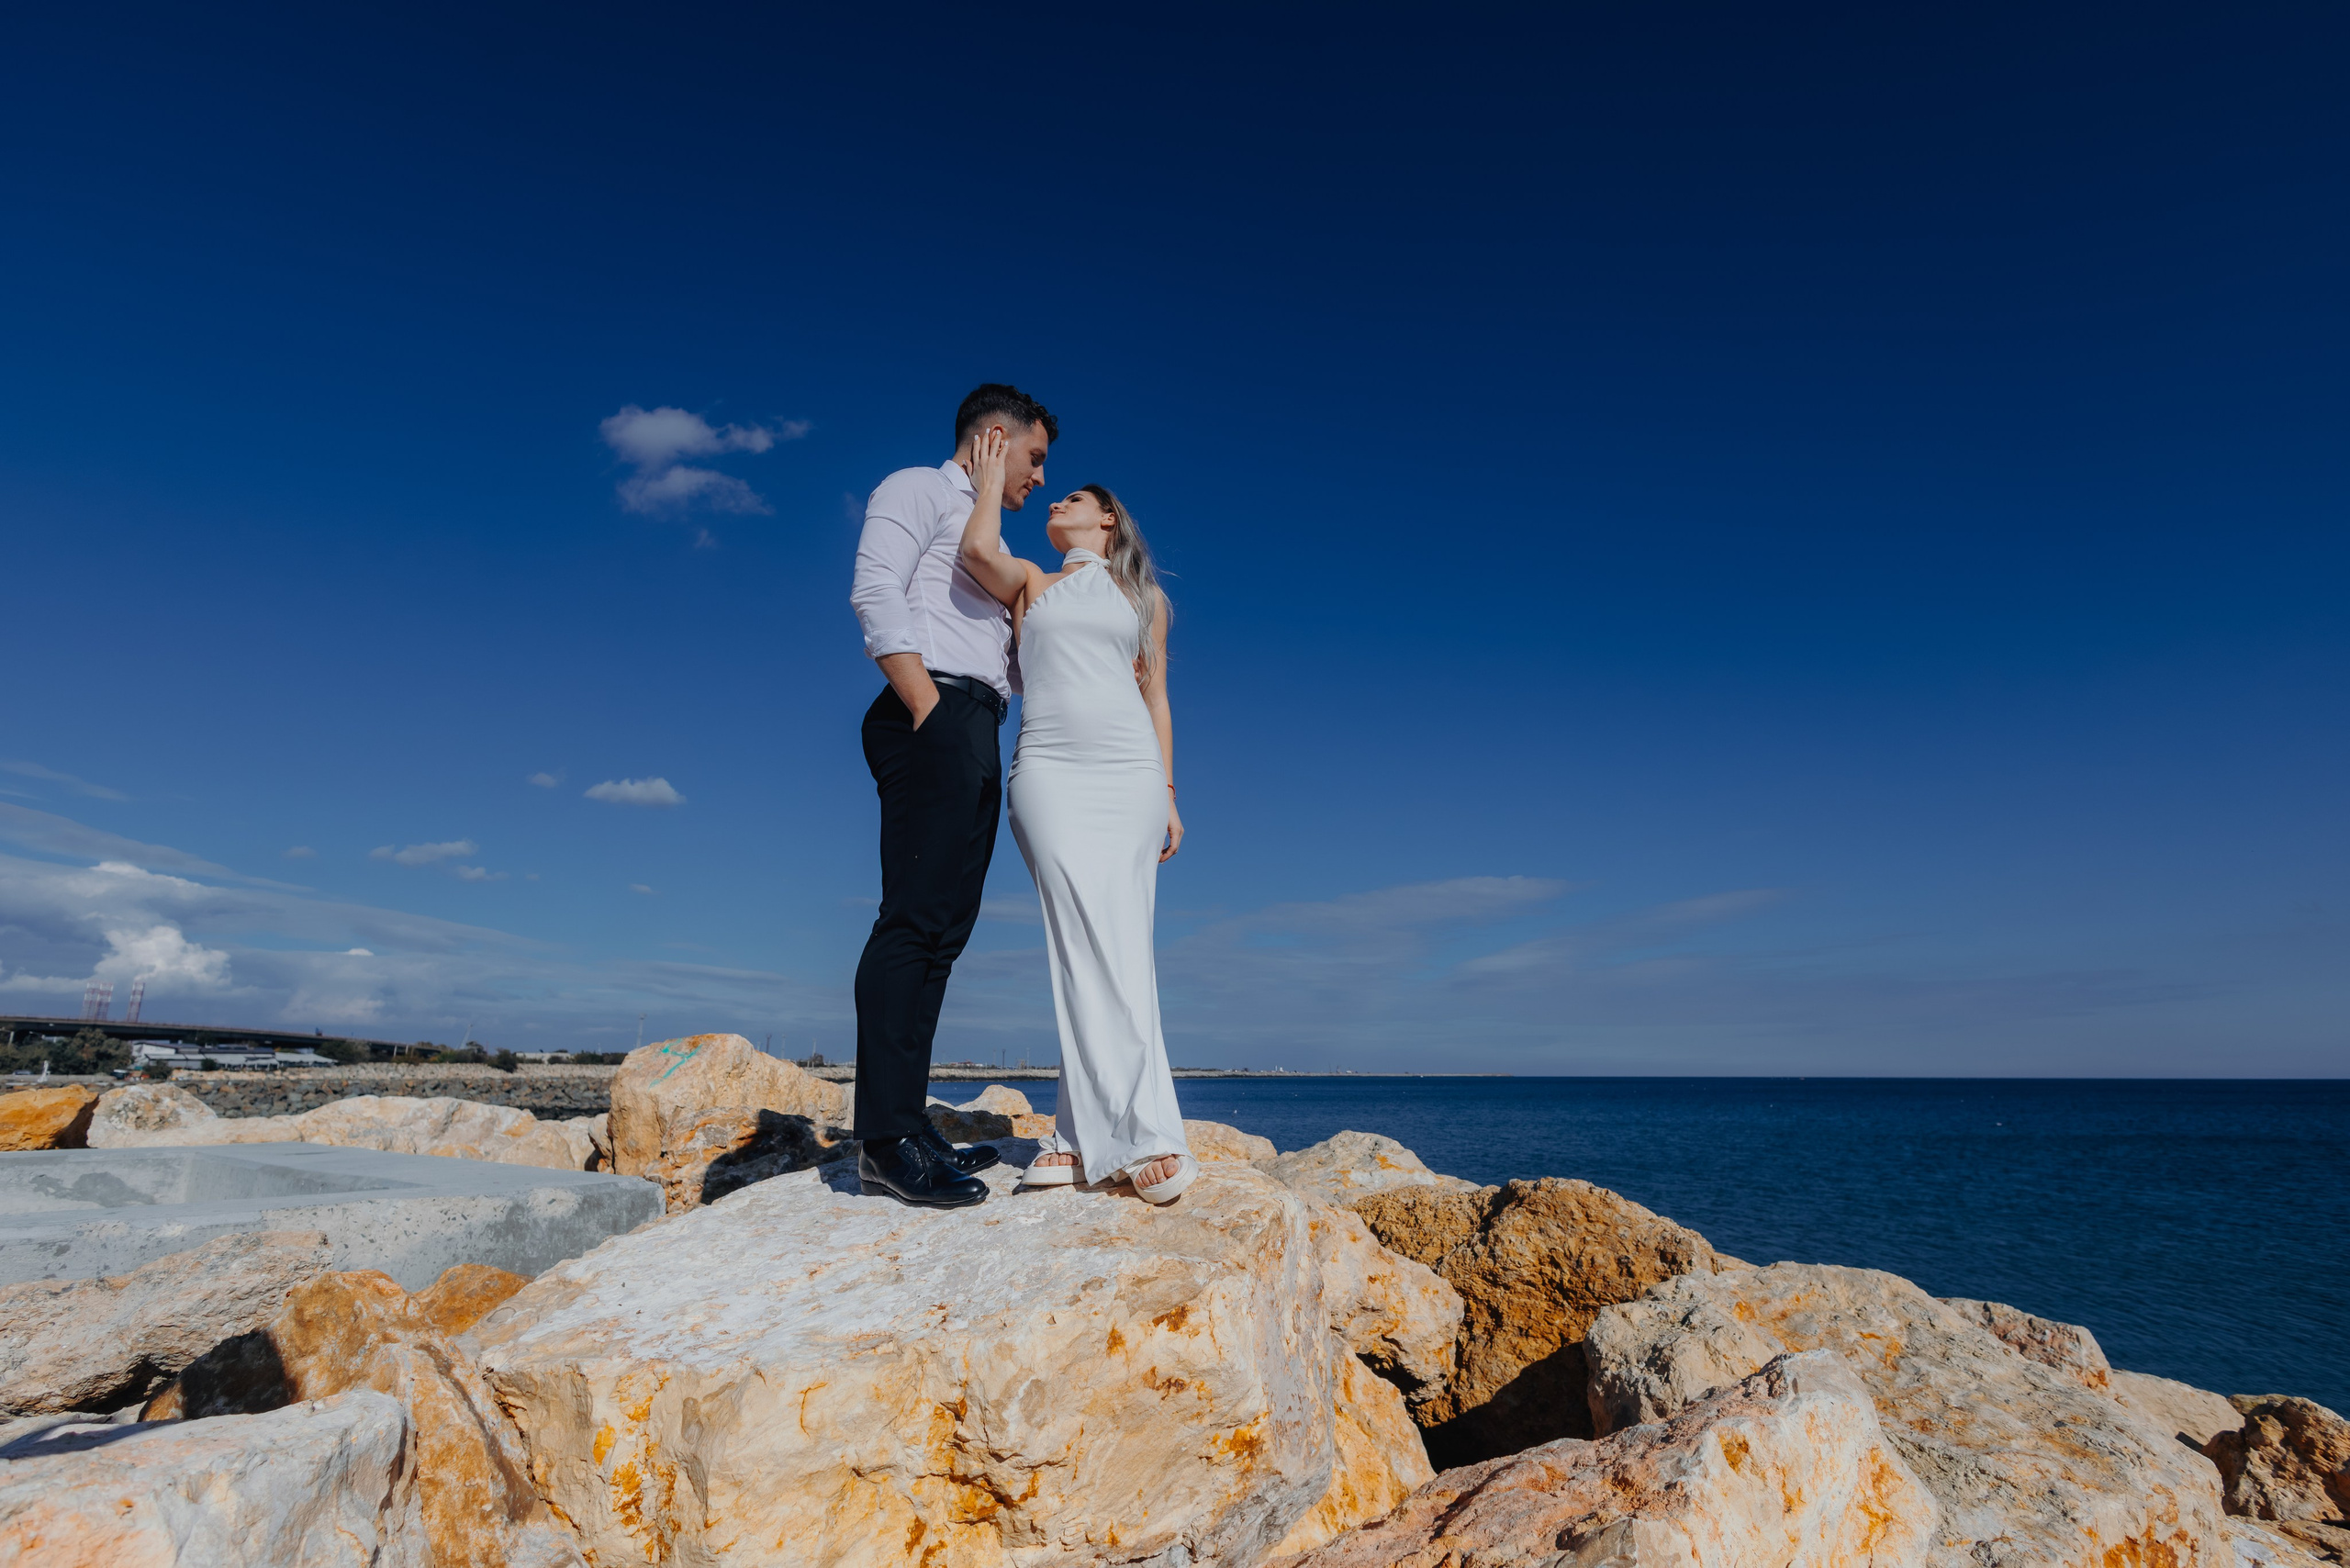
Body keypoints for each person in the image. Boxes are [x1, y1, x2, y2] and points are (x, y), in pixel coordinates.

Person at [956, 425, 1197, 1204]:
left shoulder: (1145, 601)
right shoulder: (1033, 581)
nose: (1054, 501)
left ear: (1108, 520)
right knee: (1077, 943)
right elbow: (976, 550)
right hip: (1050, 772)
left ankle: (1075, 1138)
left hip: (1130, 775)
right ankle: (1129, 1136)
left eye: (1073, 497)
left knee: (1121, 946)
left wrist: (1168, 793)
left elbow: (1156, 699)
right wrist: (988, 481)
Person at [846, 384, 1058, 1208]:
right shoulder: (917, 488)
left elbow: (1007, 658)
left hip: (978, 721)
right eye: (1035, 457)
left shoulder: (985, 532)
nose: (1040, 477)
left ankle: (907, 1123)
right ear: (995, 438)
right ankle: (884, 1140)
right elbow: (875, 590)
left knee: (944, 932)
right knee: (911, 922)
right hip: (930, 709)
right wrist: (928, 708)